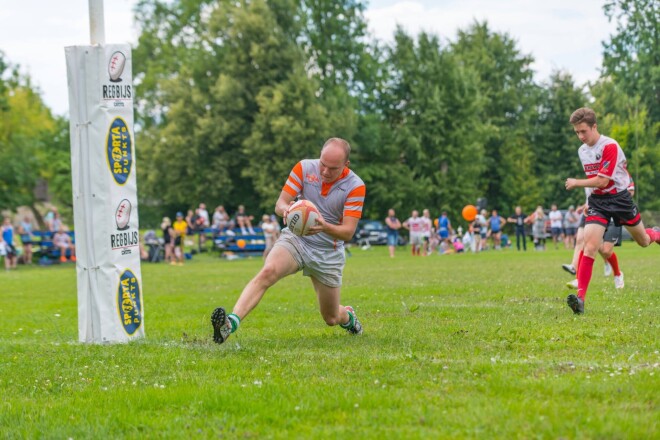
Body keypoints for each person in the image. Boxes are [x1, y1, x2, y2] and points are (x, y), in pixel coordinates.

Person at [210, 138, 365, 344]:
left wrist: (323, 226)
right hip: (296, 240)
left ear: (346, 165)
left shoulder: (355, 186)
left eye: (332, 168)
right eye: (323, 165)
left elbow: (347, 232)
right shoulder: (303, 167)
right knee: (268, 272)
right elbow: (280, 203)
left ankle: (349, 317)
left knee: (331, 318)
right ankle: (230, 323)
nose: (325, 172)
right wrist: (287, 211)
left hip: (327, 251)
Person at [564, 107, 660, 314]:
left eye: (583, 131)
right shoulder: (582, 151)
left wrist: (575, 183)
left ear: (594, 127)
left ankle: (655, 233)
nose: (580, 136)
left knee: (643, 241)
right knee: (590, 247)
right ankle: (580, 300)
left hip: (620, 199)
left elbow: (602, 180)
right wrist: (589, 201)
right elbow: (594, 183)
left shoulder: (609, 146)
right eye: (577, 132)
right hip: (598, 201)